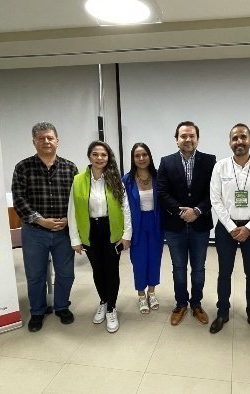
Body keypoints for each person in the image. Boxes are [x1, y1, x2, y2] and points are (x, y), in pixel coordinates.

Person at [11, 122, 78, 332]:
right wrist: (40, 220)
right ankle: (38, 312)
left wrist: (69, 220)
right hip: (34, 232)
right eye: (41, 138)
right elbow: (19, 200)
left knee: (66, 274)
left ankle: (61, 307)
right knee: (35, 275)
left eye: (50, 138)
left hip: (63, 231)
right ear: (34, 142)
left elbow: (77, 200)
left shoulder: (70, 168)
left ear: (57, 141)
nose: (46, 141)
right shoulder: (23, 167)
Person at [209, 123, 250, 338]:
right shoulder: (220, 167)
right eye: (235, 138)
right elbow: (215, 200)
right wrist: (232, 227)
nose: (239, 142)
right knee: (224, 273)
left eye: (243, 137)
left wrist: (249, 227)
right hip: (227, 227)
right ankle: (222, 312)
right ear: (230, 143)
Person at [156, 121, 216, 326]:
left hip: (200, 224)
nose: (188, 139)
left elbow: (214, 193)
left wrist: (197, 211)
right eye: (183, 136)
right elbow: (162, 193)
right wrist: (181, 211)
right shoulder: (166, 162)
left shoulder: (210, 161)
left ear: (197, 139)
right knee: (179, 267)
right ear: (176, 140)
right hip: (175, 226)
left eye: (192, 136)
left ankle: (196, 304)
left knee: (198, 268)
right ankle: (181, 303)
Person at [68, 141, 131, 333]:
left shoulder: (115, 180)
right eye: (95, 154)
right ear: (89, 157)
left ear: (108, 157)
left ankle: (111, 308)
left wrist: (127, 234)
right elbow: (72, 211)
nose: (99, 158)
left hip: (111, 230)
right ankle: (103, 301)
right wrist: (75, 239)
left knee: (111, 271)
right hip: (90, 231)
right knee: (97, 270)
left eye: (103, 155)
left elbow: (125, 209)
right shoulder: (78, 180)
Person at [122, 143, 163, 314]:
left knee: (154, 259)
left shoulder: (159, 176)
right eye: (137, 156)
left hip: (155, 224)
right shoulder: (127, 180)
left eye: (144, 154)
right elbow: (123, 207)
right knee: (139, 261)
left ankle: (151, 293)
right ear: (133, 159)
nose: (141, 158)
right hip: (136, 225)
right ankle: (141, 295)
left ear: (149, 156)